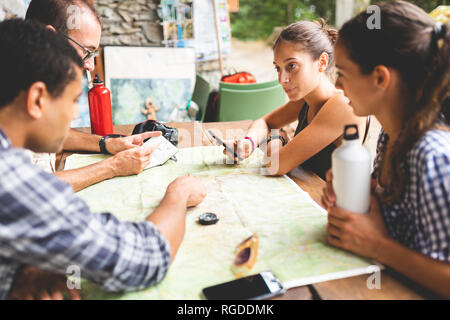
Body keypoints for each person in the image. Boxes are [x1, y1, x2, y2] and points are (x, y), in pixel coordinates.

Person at [0, 19, 206, 299]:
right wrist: (179, 195)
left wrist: (13, 276)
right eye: (73, 101)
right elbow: (144, 258)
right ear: (37, 99)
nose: (74, 116)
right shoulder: (12, 181)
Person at [321, 1, 450, 298]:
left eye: (342, 72)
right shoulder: (391, 136)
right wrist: (358, 193)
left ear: (380, 77)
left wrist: (375, 245)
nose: (337, 85)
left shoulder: (434, 156)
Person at [25, 0, 157, 192]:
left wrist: (107, 144)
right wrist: (113, 166)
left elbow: (43, 132)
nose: (90, 66)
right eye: (87, 51)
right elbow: (31, 190)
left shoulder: (34, 80)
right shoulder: (14, 95)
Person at [225, 19, 367, 180]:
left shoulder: (342, 106)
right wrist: (248, 143)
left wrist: (276, 138)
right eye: (278, 68)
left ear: (322, 62)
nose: (281, 79)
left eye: (291, 66)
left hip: (329, 203)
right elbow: (265, 122)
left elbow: (275, 165)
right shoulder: (307, 97)